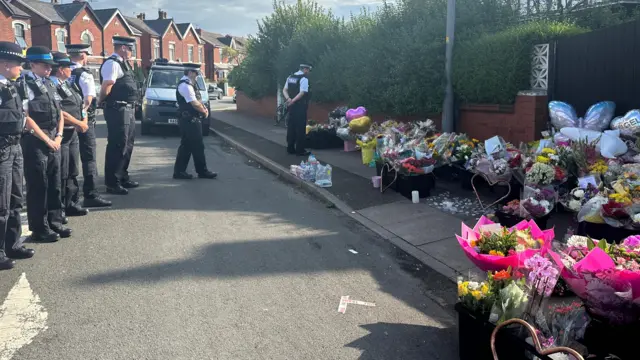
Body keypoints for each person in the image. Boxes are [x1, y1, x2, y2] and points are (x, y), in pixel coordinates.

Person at [22, 46, 71, 242]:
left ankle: (55, 221)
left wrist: (58, 136)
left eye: (51, 66)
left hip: (53, 138)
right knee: (38, 186)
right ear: (32, 64)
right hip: (36, 141)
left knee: (55, 183)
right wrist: (47, 140)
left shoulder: (49, 84)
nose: (49, 69)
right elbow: (26, 118)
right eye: (45, 65)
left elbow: (59, 112)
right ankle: (40, 227)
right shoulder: (25, 85)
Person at [0, 42, 35, 270]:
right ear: (4, 64)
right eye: (17, 65)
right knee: (1, 203)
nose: (21, 69)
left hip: (15, 146)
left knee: (15, 198)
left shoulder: (11, 86)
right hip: (2, 149)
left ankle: (12, 244)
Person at [67, 43, 111, 208]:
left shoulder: (62, 72)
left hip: (66, 122)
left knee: (70, 161)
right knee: (89, 158)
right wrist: (83, 118)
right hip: (84, 121)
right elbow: (88, 100)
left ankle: (70, 199)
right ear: (83, 55)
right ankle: (91, 194)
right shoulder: (84, 74)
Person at [98, 36, 140, 195]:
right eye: (130, 49)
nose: (131, 52)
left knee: (127, 145)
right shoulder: (112, 63)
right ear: (122, 48)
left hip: (127, 108)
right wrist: (101, 101)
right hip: (117, 108)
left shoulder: (123, 64)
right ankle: (112, 182)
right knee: (118, 145)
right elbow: (107, 85)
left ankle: (122, 176)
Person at [51, 52, 89, 217]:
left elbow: (79, 103)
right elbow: (60, 112)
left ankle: (72, 203)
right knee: (62, 172)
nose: (71, 70)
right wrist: (79, 123)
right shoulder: (52, 86)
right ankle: (60, 208)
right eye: (68, 67)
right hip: (63, 134)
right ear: (60, 69)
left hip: (73, 132)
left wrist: (84, 120)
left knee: (73, 169)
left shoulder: (66, 84)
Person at [173, 63, 217, 180]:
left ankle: (179, 172)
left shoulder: (192, 84)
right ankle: (202, 171)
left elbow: (198, 99)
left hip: (191, 119)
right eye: (197, 73)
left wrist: (203, 107)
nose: (198, 76)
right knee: (198, 146)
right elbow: (193, 102)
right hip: (189, 120)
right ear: (191, 73)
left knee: (186, 146)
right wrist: (204, 111)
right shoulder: (185, 86)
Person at [282, 63, 312, 156]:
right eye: (308, 70)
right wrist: (293, 101)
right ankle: (300, 150)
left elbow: (284, 90)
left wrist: (288, 99)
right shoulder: (304, 79)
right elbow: (302, 93)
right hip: (300, 106)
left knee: (291, 127)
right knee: (300, 128)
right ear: (305, 69)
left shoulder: (290, 77)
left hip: (291, 106)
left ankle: (290, 148)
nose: (308, 72)